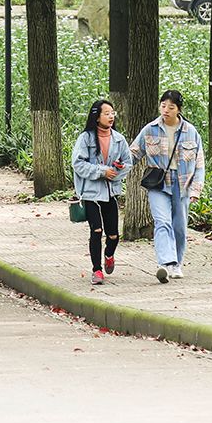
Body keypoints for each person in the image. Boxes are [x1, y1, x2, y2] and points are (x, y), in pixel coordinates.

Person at [130, 90, 205, 284]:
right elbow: (134, 153)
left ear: (178, 109)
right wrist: (116, 167)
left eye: (171, 107)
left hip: (182, 184)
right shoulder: (150, 129)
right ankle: (166, 262)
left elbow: (199, 164)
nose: (166, 110)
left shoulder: (191, 132)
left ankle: (176, 264)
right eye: (163, 106)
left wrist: (196, 190)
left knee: (179, 227)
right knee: (162, 221)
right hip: (158, 183)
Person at [71, 100, 131, 286]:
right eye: (106, 113)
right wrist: (101, 171)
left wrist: (115, 172)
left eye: (112, 112)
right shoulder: (85, 139)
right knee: (96, 230)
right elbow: (78, 164)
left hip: (111, 193)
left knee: (113, 235)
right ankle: (96, 270)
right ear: (97, 117)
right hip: (90, 193)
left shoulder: (119, 139)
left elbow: (127, 163)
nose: (111, 116)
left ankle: (109, 255)